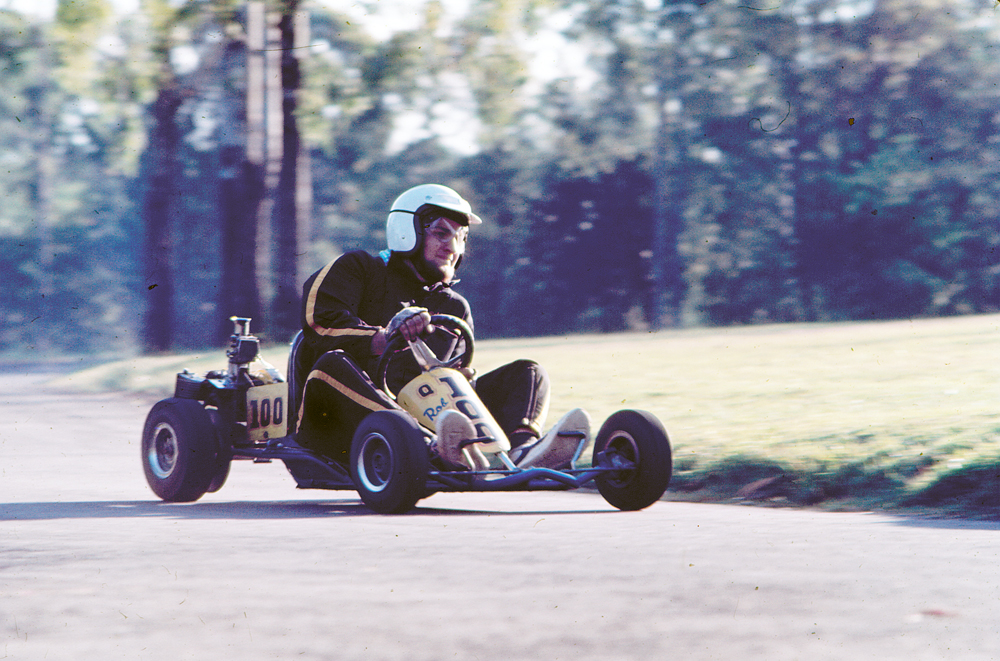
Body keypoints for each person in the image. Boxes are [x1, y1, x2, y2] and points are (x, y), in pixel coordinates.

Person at [294, 183, 590, 470]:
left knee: (528, 372)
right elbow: (320, 324)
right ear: (406, 232)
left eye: (460, 237)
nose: (453, 247)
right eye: (441, 234)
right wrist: (385, 338)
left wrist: (461, 379)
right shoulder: (358, 268)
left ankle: (523, 451)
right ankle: (428, 447)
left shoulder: (453, 306)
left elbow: (450, 378)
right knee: (332, 363)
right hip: (334, 419)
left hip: (421, 416)